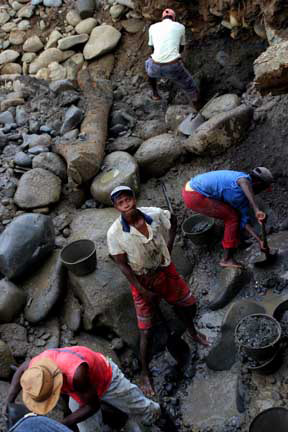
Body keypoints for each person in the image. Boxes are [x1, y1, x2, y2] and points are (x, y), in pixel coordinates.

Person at [107, 186, 208, 397]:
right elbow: (123, 265)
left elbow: (172, 221)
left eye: (128, 199)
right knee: (146, 329)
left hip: (164, 269)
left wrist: (168, 248)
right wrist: (142, 289)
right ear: (116, 207)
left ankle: (192, 331)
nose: (125, 204)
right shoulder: (115, 233)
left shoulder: (153, 214)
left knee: (183, 304)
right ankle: (145, 373)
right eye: (120, 202)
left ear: (134, 199)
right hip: (142, 278)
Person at [2, 346, 160, 432]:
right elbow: (19, 372)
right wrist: (8, 402)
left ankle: (158, 420)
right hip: (78, 391)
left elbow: (93, 405)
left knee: (142, 408)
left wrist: (63, 423)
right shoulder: (36, 367)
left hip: (107, 379)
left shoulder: (76, 374)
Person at [182, 167, 274, 269]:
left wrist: (260, 241)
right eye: (262, 189)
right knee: (232, 217)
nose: (260, 192)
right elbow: (244, 183)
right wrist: (256, 209)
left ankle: (237, 241)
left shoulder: (241, 182)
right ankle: (226, 259)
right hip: (194, 194)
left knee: (234, 215)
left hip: (191, 188)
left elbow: (243, 219)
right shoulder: (241, 182)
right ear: (257, 184)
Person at [145, 8, 198, 104]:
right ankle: (195, 101)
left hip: (155, 66)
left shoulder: (152, 27)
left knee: (148, 64)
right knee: (189, 83)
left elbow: (152, 49)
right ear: (173, 18)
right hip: (172, 66)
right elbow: (181, 49)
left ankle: (155, 94)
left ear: (162, 18)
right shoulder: (180, 27)